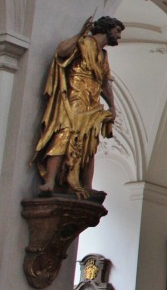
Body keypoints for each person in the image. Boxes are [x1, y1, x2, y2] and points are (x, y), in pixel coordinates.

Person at [33, 16, 124, 199]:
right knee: (64, 134)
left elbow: (105, 82)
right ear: (107, 29)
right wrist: (81, 33)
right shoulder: (84, 42)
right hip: (74, 97)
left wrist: (112, 106)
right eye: (117, 31)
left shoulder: (103, 54)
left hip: (92, 101)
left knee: (90, 141)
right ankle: (50, 181)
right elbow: (62, 51)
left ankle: (87, 185)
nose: (119, 36)